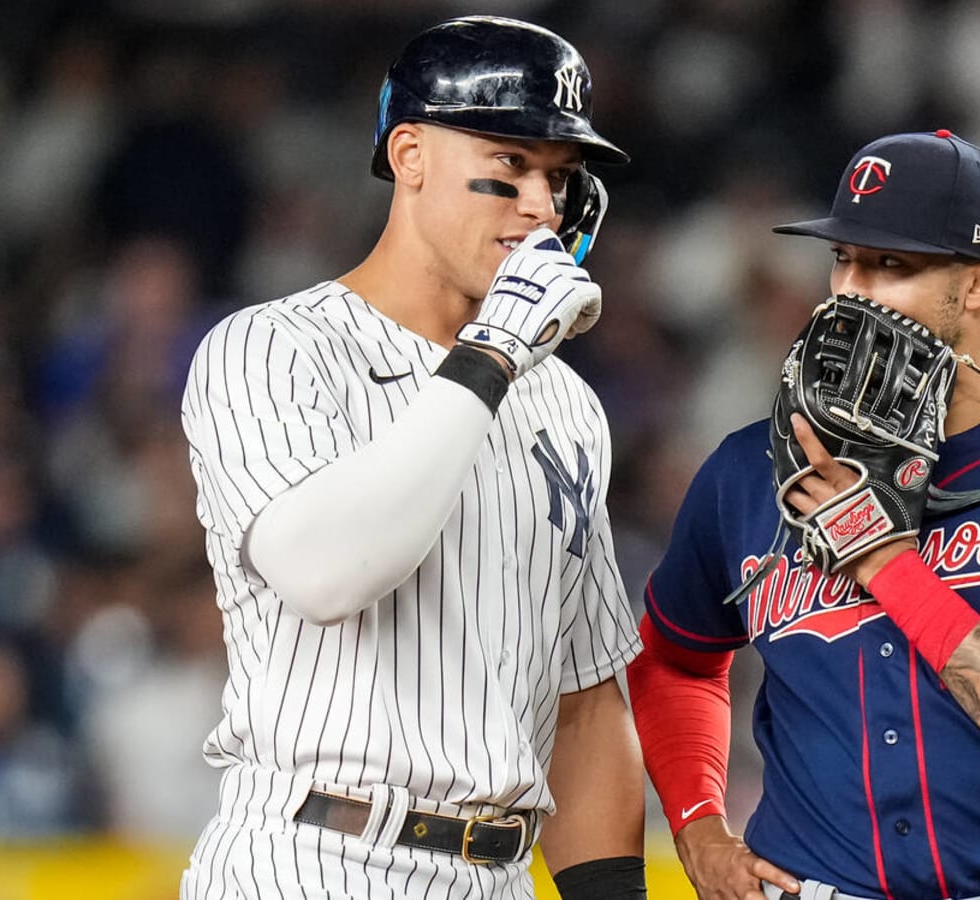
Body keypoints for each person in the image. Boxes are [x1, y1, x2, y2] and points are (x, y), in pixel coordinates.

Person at [627, 130, 980, 900]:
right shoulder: (748, 468)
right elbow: (674, 657)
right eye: (843, 259)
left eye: (893, 265)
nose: (852, 290)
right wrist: (696, 824)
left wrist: (886, 565)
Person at [178, 16, 646, 900]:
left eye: (560, 178)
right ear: (410, 154)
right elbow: (327, 573)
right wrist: (492, 352)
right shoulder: (273, 349)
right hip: (314, 856)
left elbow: (584, 703)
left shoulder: (568, 406)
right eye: (509, 165)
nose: (541, 209)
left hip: (498, 873)